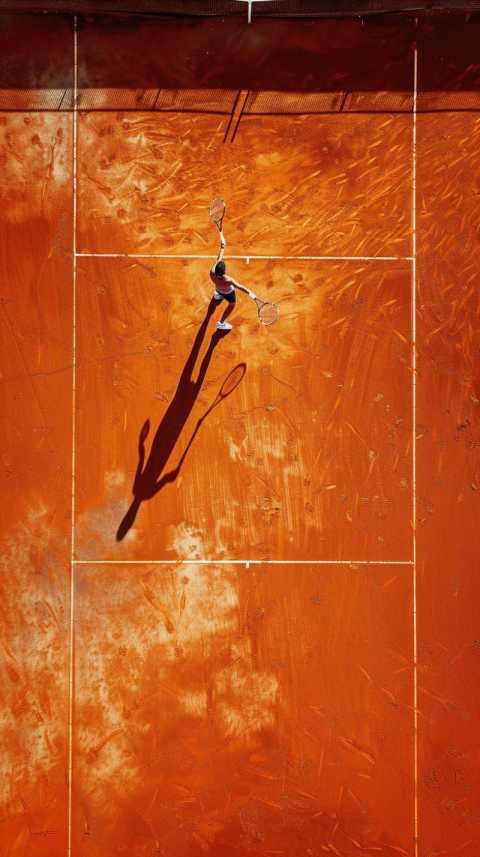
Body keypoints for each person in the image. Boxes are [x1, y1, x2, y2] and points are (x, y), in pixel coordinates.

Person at [210, 238, 250, 331]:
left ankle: (218, 295)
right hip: (228, 293)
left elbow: (218, 259)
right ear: (224, 271)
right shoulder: (228, 280)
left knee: (219, 290)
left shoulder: (212, 272)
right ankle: (221, 323)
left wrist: (222, 247)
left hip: (218, 288)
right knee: (232, 303)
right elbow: (240, 287)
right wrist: (250, 293)